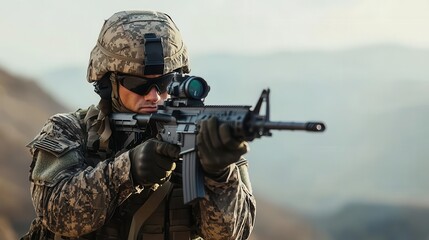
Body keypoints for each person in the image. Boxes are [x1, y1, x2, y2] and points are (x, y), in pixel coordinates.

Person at [22, 10, 256, 240]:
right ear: (108, 83)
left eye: (165, 83)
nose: (154, 96)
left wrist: (219, 175)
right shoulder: (68, 131)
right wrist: (127, 170)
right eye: (138, 84)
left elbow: (233, 234)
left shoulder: (204, 133)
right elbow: (56, 215)